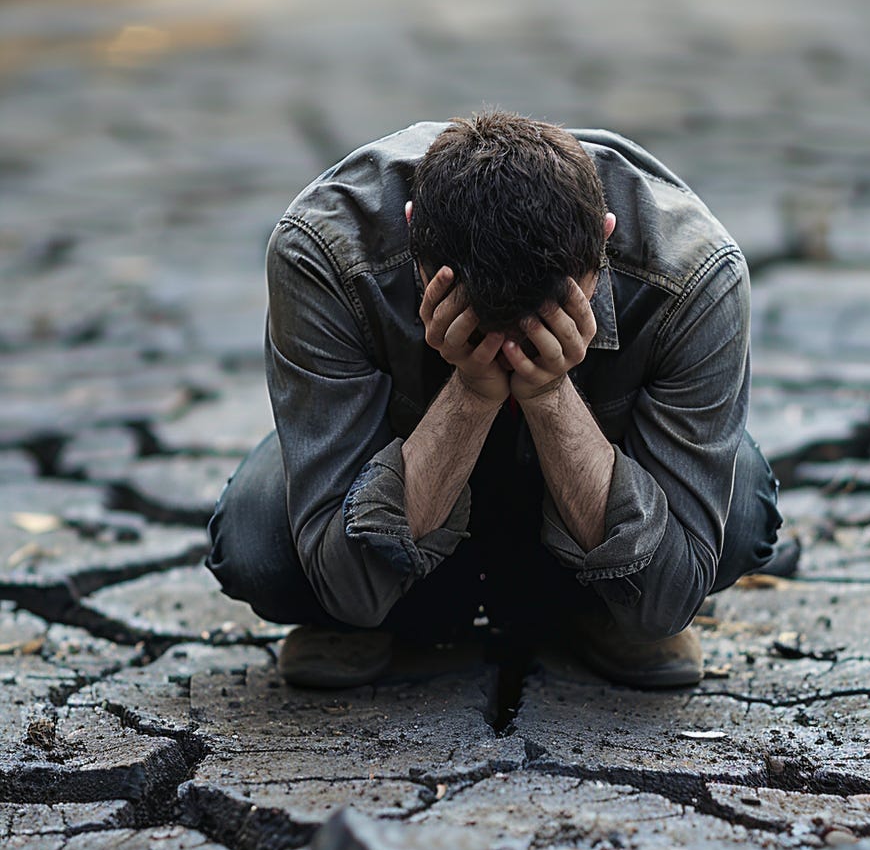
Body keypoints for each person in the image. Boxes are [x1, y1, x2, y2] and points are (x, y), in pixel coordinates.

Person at [206, 110, 794, 690]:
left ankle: (603, 610)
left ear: (605, 238)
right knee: (256, 540)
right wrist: (470, 390)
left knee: (737, 514)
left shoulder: (694, 271)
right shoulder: (325, 250)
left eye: (548, 315)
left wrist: (548, 391)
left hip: (580, 514)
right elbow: (346, 585)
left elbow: (670, 597)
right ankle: (395, 619)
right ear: (412, 231)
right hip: (405, 491)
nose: (511, 349)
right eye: (483, 322)